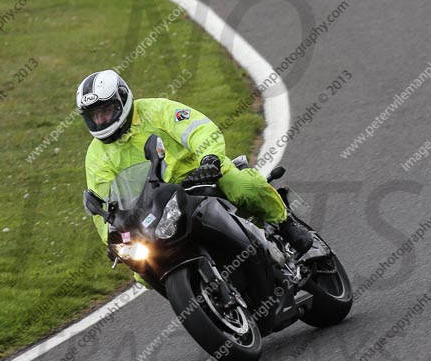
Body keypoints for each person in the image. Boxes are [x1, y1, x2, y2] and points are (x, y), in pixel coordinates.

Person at [76, 69, 313, 262]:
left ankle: (285, 225)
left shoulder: (155, 110)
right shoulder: (96, 156)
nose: (101, 120)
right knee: (142, 266)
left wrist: (209, 160)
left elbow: (199, 130)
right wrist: (113, 239)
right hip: (157, 208)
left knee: (244, 186)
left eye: (106, 111)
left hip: (200, 177)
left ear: (123, 99)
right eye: (94, 115)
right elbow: (103, 205)